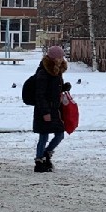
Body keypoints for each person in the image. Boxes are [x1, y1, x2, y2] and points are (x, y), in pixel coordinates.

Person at [30, 44, 71, 172]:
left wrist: (64, 88)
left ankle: (46, 154)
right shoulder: (44, 72)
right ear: (54, 58)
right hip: (44, 110)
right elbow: (40, 94)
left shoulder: (57, 71)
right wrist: (45, 112)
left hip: (55, 109)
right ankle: (39, 161)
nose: (62, 59)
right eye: (60, 57)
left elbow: (53, 90)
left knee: (59, 135)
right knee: (44, 136)